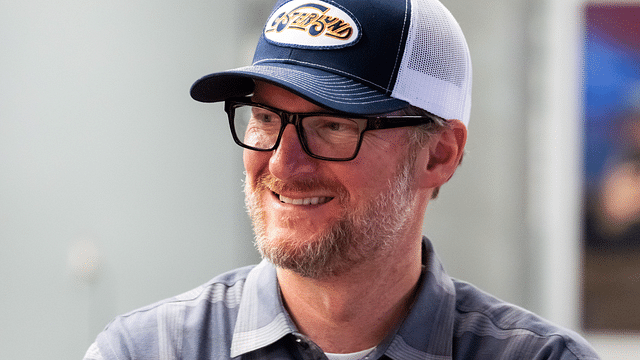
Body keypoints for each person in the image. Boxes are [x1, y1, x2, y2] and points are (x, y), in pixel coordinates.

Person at [84, 0, 600, 359]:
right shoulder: (145, 350)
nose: (284, 164)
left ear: (439, 155)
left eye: (332, 125)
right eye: (264, 118)